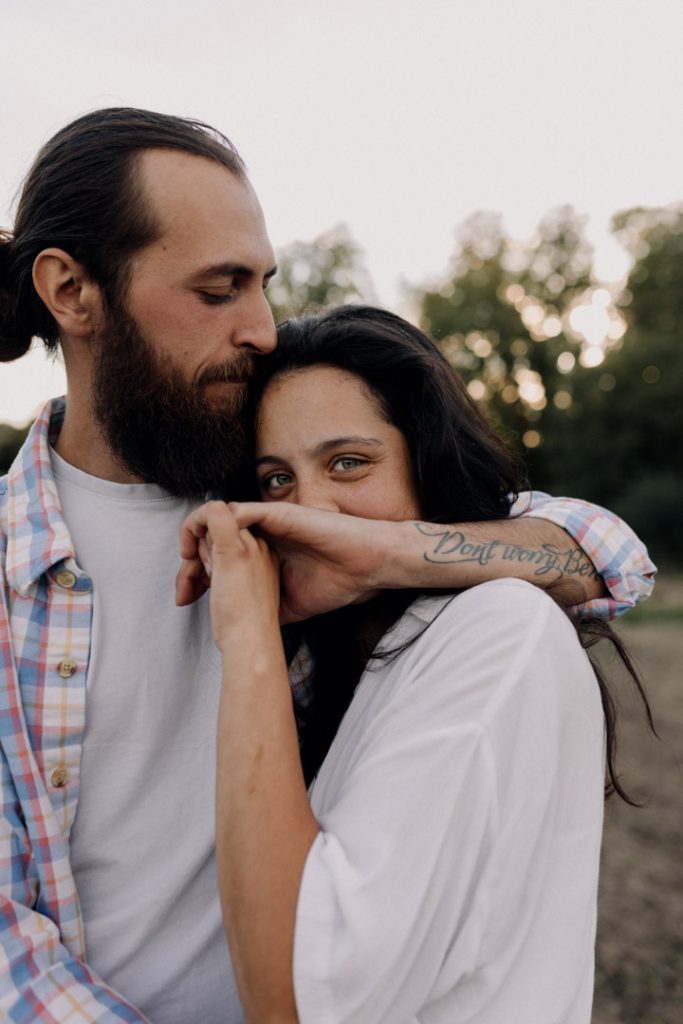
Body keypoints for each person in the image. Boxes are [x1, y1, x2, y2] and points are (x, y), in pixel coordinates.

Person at [0, 109, 654, 1022]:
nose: (263, 328)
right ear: (72, 291)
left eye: (264, 284)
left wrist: (383, 546)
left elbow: (609, 558)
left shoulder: (278, 494)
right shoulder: (10, 572)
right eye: (220, 289)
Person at [181, 305, 654, 1024]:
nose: (309, 510)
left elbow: (297, 1000)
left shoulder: (494, 625)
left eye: (349, 463)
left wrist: (370, 559)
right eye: (276, 480)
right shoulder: (328, 654)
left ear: (425, 460)